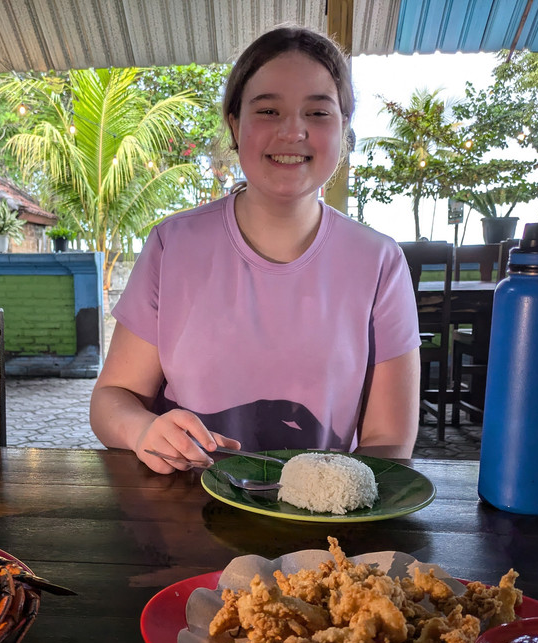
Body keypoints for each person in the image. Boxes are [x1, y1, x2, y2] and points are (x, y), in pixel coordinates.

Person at [90, 25, 421, 474]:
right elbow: (113, 399)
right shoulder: (173, 245)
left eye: (318, 113)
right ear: (234, 124)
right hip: (186, 511)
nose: (293, 131)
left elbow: (389, 441)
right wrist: (142, 430)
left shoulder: (380, 262)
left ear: (343, 129)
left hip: (319, 523)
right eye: (268, 110)